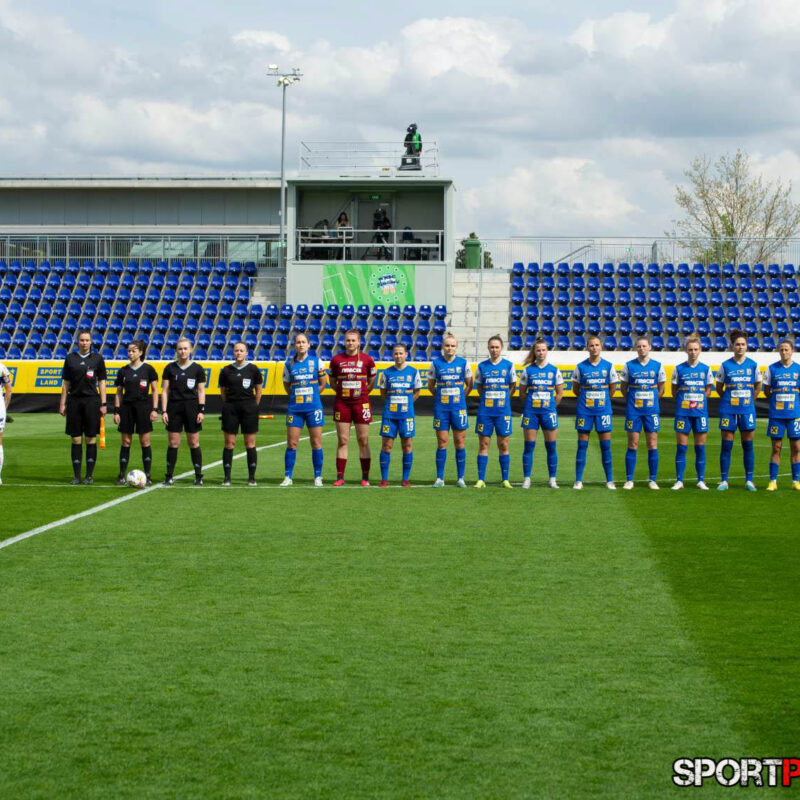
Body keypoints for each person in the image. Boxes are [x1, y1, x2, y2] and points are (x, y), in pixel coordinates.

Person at [328, 330, 377, 486]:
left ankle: (365, 477)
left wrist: (362, 394)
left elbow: (372, 381)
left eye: (353, 340)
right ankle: (340, 477)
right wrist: (343, 393)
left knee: (363, 440)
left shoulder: (367, 359)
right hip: (342, 404)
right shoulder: (336, 360)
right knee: (343, 440)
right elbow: (332, 382)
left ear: (359, 342)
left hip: (361, 403)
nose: (350, 343)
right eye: (348, 340)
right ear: (344, 342)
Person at [59, 330, 107, 485]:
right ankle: (77, 476)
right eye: (81, 340)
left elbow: (102, 382)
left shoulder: (98, 359)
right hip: (74, 401)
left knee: (90, 438)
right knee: (76, 439)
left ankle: (89, 476)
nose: (84, 343)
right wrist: (62, 403)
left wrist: (104, 403)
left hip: (92, 402)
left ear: (91, 342)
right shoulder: (70, 358)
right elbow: (66, 383)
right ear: (77, 342)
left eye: (87, 340)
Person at [715, 331, 761, 491]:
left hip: (747, 410)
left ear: (746, 346)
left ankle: (749, 481)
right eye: (737, 344)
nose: (740, 347)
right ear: (732, 346)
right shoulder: (725, 365)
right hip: (728, 410)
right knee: (726, 446)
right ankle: (724, 481)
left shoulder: (753, 365)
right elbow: (719, 387)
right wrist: (728, 400)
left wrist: (750, 400)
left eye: (743, 344)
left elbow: (758, 385)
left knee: (747, 445)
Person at [619, 336, 666, 490]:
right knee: (633, 443)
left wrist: (652, 400)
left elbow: (661, 388)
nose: (642, 349)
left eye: (644, 346)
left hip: (651, 411)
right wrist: (633, 401)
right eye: (639, 346)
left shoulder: (657, 366)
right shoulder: (629, 366)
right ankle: (629, 480)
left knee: (652, 443)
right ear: (636, 348)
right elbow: (623, 388)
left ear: (650, 347)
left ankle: (652, 480)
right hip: (634, 411)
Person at [572, 335, 619, 490]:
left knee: (605, 446)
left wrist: (602, 400)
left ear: (601, 346)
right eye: (591, 345)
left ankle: (609, 480)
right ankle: (578, 480)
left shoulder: (608, 366)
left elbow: (613, 389)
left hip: (603, 411)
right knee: (582, 445)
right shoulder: (580, 367)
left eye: (597, 345)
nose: (594, 348)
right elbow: (575, 389)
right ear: (587, 347)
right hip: (584, 411)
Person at [281, 332, 326, 487]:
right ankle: (288, 476)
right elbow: (287, 386)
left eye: (303, 342)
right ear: (295, 345)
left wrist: (313, 396)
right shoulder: (289, 365)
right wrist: (297, 396)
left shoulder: (317, 362)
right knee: (292, 443)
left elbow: (323, 383)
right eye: (298, 342)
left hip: (313, 408)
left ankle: (318, 476)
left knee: (316, 442)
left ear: (309, 344)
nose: (301, 345)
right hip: (295, 409)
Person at [518, 337, 563, 489]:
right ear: (534, 352)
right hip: (531, 413)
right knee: (529, 447)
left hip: (548, 413)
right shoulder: (528, 370)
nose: (541, 353)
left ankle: (552, 479)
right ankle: (527, 479)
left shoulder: (554, 370)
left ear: (547, 351)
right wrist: (530, 405)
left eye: (543, 350)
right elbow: (522, 393)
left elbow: (559, 393)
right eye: (538, 350)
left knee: (551, 447)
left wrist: (551, 407)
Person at [428, 333, 472, 487]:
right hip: (441, 409)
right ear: (442, 347)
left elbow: (469, 385)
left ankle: (461, 478)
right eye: (447, 345)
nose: (450, 348)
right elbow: (430, 386)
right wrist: (441, 397)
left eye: (453, 345)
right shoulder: (435, 363)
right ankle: (440, 478)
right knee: (442, 442)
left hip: (458, 409)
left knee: (459, 442)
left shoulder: (463, 363)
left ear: (456, 347)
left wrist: (460, 398)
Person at [113, 339, 159, 486]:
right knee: (126, 441)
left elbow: (155, 391)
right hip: (127, 408)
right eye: (129, 351)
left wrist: (154, 409)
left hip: (143, 408)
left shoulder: (149, 369)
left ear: (140, 352)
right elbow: (118, 393)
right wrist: (116, 411)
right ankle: (121, 474)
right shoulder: (123, 371)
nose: (130, 353)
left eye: (133, 351)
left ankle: (148, 475)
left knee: (144, 441)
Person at [161, 337, 206, 486]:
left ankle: (198, 476)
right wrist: (164, 411)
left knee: (193, 442)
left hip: (191, 407)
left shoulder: (197, 368)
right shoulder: (170, 368)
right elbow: (165, 391)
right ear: (176, 350)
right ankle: (169, 476)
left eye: (185, 348)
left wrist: (201, 410)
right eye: (180, 349)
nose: (182, 351)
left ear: (190, 350)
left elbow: (201, 391)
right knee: (173, 442)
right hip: (174, 408)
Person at [671, 335, 714, 490]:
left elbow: (708, 390)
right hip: (683, 413)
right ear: (686, 351)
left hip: (700, 414)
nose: (693, 352)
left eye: (696, 349)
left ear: (700, 350)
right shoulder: (679, 369)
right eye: (690, 350)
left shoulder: (706, 369)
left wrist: (697, 402)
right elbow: (674, 391)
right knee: (682, 447)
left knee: (700, 447)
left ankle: (700, 480)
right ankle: (679, 480)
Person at [474, 335, 516, 488]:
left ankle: (505, 479)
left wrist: (503, 399)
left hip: (502, 412)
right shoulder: (482, 366)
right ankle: (481, 479)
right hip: (485, 412)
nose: (494, 350)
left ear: (501, 348)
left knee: (503, 444)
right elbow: (479, 387)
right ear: (488, 348)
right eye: (492, 347)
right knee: (484, 444)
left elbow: (512, 386)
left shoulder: (509, 366)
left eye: (497, 347)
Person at [219, 341, 263, 486]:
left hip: (249, 409)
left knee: (249, 443)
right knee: (229, 443)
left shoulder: (253, 369)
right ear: (233, 352)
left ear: (246, 353)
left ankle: (251, 478)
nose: (238, 353)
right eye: (236, 350)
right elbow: (223, 392)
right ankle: (227, 478)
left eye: (241, 350)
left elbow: (258, 391)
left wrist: (254, 406)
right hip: (231, 409)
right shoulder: (226, 370)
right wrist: (228, 405)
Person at [378, 343, 422, 487]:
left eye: (401, 353)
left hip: (406, 416)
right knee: (386, 446)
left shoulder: (413, 372)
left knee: (407, 446)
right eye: (396, 353)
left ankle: (405, 479)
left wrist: (407, 403)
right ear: (393, 355)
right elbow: (383, 394)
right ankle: (384, 479)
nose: (398, 356)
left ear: (406, 354)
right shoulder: (386, 373)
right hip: (389, 416)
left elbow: (417, 392)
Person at [762, 338, 800, 491]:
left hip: (794, 415)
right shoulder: (772, 369)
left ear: (792, 351)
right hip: (777, 416)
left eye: (786, 349)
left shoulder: (798, 369)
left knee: (796, 447)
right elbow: (766, 391)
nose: (784, 352)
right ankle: (773, 481)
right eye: (781, 349)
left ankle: (796, 481)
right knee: (776, 447)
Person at [0, 359, 12, 486]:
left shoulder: (2, 368)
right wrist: (4, 409)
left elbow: (9, 390)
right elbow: (9, 391)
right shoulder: (2, 368)